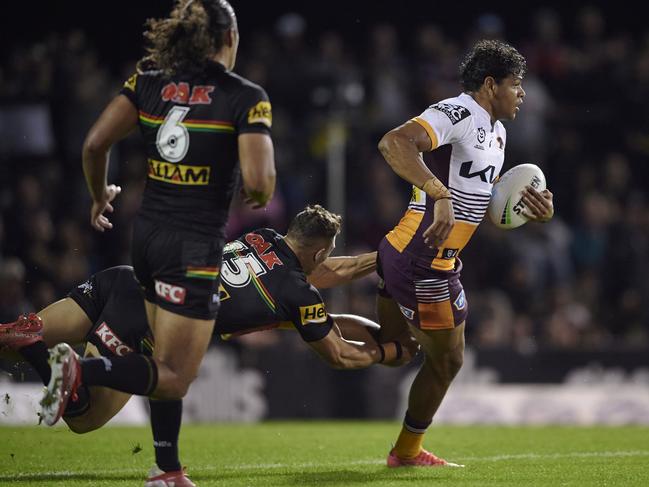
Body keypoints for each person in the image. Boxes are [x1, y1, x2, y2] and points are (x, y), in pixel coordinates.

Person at [44, 1, 275, 485]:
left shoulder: (148, 78)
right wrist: (258, 189)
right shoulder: (245, 96)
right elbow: (259, 182)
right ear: (229, 38)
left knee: (160, 357)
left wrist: (99, 194)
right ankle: (84, 373)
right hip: (193, 248)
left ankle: (167, 470)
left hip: (146, 238)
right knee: (174, 374)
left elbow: (93, 144)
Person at [0, 205, 417, 433]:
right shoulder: (296, 292)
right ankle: (52, 358)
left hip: (123, 280)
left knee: (19, 334)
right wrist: (389, 350)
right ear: (320, 252)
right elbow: (338, 354)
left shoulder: (263, 237)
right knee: (82, 418)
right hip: (147, 320)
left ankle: (29, 340)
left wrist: (381, 259)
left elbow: (326, 276)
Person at [375, 39, 554, 467]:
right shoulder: (459, 112)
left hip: (420, 253)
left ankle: (309, 325)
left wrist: (531, 211)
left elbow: (484, 208)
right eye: (516, 84)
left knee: (397, 350)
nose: (523, 93)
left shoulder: (497, 131)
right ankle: (406, 452)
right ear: (490, 85)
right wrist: (437, 193)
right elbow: (393, 143)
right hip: (424, 259)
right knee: (448, 360)